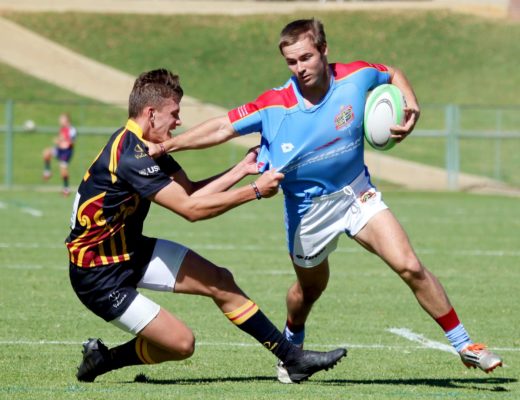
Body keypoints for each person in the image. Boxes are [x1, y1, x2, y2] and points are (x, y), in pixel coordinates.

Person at [149, 19, 503, 382]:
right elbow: (222, 127)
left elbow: (392, 73)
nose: (299, 68)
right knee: (310, 289)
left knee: (410, 266)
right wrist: (167, 145)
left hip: (357, 193)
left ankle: (465, 345)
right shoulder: (275, 105)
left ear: (323, 50)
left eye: (306, 57)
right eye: (291, 61)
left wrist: (411, 105)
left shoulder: (356, 77)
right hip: (308, 212)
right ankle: (292, 341)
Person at [66, 68, 346, 384]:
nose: (179, 121)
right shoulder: (131, 155)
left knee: (219, 280)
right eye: (174, 113)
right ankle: (105, 359)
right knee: (181, 344)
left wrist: (241, 169)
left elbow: (190, 194)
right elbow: (191, 210)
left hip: (131, 251)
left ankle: (292, 359)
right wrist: (255, 191)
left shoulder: (148, 147)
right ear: (151, 114)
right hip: (98, 275)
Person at [43, 112, 77, 196]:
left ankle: (66, 189)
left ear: (67, 120)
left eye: (61, 119)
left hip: (66, 152)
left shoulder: (72, 130)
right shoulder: (62, 129)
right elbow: (61, 139)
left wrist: (63, 142)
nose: (60, 120)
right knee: (46, 152)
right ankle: (47, 172)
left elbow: (72, 142)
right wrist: (58, 141)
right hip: (59, 150)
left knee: (63, 170)